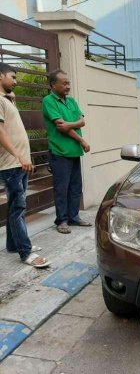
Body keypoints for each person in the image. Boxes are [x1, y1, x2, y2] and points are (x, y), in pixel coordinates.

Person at [0, 63, 50, 268]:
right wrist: (20, 156)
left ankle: (13, 244)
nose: (16, 80)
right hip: (11, 164)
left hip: (17, 163)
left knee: (15, 206)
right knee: (18, 207)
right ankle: (25, 252)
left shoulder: (8, 100)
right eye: (12, 76)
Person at [42, 69, 91, 234]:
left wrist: (70, 124)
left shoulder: (71, 101)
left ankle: (74, 217)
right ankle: (61, 220)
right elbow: (61, 128)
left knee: (76, 187)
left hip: (74, 152)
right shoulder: (48, 101)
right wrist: (82, 140)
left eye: (68, 83)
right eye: (64, 83)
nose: (67, 86)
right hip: (60, 152)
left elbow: (82, 121)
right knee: (61, 188)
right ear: (53, 85)